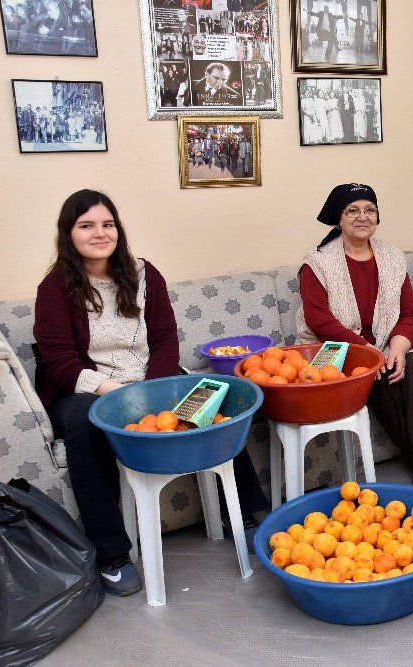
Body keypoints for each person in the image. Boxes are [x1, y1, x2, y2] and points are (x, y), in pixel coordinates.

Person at [33, 190, 270, 596]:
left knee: (214, 399)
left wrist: (155, 388)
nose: (100, 233)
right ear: (68, 234)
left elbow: (164, 341)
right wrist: (115, 393)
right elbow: (59, 361)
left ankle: (243, 516)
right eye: (86, 225)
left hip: (149, 377)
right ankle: (112, 555)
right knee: (86, 426)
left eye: (107, 224)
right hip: (88, 385)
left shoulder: (144, 275)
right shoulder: (56, 287)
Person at [296, 184, 413, 500]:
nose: (362, 217)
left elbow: (411, 314)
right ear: (339, 219)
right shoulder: (317, 261)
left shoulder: (390, 256)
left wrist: (397, 347)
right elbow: (318, 319)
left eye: (369, 210)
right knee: (376, 371)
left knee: (410, 362)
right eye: (352, 211)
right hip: (336, 350)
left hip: (384, 343)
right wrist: (367, 351)